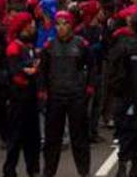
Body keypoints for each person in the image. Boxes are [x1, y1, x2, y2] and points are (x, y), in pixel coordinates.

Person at [40, 10, 94, 177]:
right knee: (52, 138)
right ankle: (49, 171)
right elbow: (43, 70)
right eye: (58, 24)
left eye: (65, 23)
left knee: (79, 137)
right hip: (55, 96)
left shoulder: (81, 44)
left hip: (75, 95)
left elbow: (92, 66)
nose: (61, 27)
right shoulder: (49, 46)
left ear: (72, 25)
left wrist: (90, 86)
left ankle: (83, 171)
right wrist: (42, 90)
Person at [108, 12, 137, 177]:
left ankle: (132, 167)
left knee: (129, 132)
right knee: (134, 132)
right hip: (132, 98)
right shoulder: (136, 47)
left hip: (122, 97)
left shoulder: (122, 44)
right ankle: (126, 168)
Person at [2, 12, 41, 177]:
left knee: (33, 135)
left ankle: (33, 168)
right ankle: (10, 169)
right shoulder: (14, 47)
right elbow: (17, 74)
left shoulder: (28, 46)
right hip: (19, 98)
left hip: (30, 97)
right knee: (16, 136)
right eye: (31, 24)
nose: (33, 27)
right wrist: (30, 71)